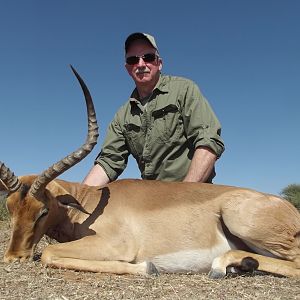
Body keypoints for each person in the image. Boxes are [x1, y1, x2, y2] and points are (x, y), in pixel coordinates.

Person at [83, 32, 225, 186]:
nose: (141, 64)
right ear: (127, 68)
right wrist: (79, 198)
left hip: (193, 192)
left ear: (159, 63)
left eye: (148, 57)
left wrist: (183, 196)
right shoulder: (122, 116)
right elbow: (109, 161)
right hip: (153, 200)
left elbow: (208, 141)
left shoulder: (184, 90)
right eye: (133, 60)